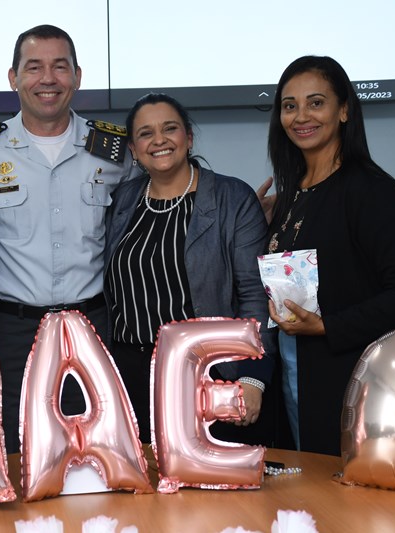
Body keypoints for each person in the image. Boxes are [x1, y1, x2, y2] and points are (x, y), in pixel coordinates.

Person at [0, 24, 134, 454]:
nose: (47, 79)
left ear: (78, 76)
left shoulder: (113, 150)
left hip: (95, 326)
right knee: (21, 451)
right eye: (34, 67)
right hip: (14, 332)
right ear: (13, 78)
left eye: (59, 67)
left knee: (99, 450)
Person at [265, 55, 395, 456]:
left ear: (344, 110)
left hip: (348, 381)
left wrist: (327, 326)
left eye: (316, 102)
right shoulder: (292, 195)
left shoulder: (370, 191)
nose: (301, 116)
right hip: (293, 375)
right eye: (290, 106)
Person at [104, 92, 278, 445]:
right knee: (143, 492)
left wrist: (252, 378)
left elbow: (255, 296)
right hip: (130, 378)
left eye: (170, 128)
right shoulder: (122, 201)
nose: (159, 140)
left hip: (210, 376)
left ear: (189, 137)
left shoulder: (232, 198)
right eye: (145, 133)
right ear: (134, 151)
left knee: (211, 494)